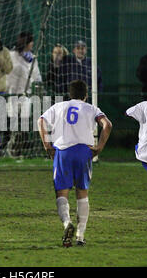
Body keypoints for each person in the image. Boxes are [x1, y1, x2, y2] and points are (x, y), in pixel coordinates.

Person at [38, 80, 112, 247]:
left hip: (63, 151)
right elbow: (107, 125)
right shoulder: (91, 108)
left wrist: (47, 145)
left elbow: (40, 121)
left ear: (69, 95)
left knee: (61, 193)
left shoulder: (59, 106)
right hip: (83, 152)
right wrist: (99, 147)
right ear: (86, 95)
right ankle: (80, 235)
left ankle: (66, 223)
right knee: (82, 194)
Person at [6, 32, 42, 157]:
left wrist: (37, 83)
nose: (32, 44)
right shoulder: (12, 55)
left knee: (25, 122)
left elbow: (37, 76)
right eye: (30, 41)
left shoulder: (32, 58)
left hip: (26, 94)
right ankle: (10, 147)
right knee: (12, 121)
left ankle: (20, 148)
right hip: (12, 94)